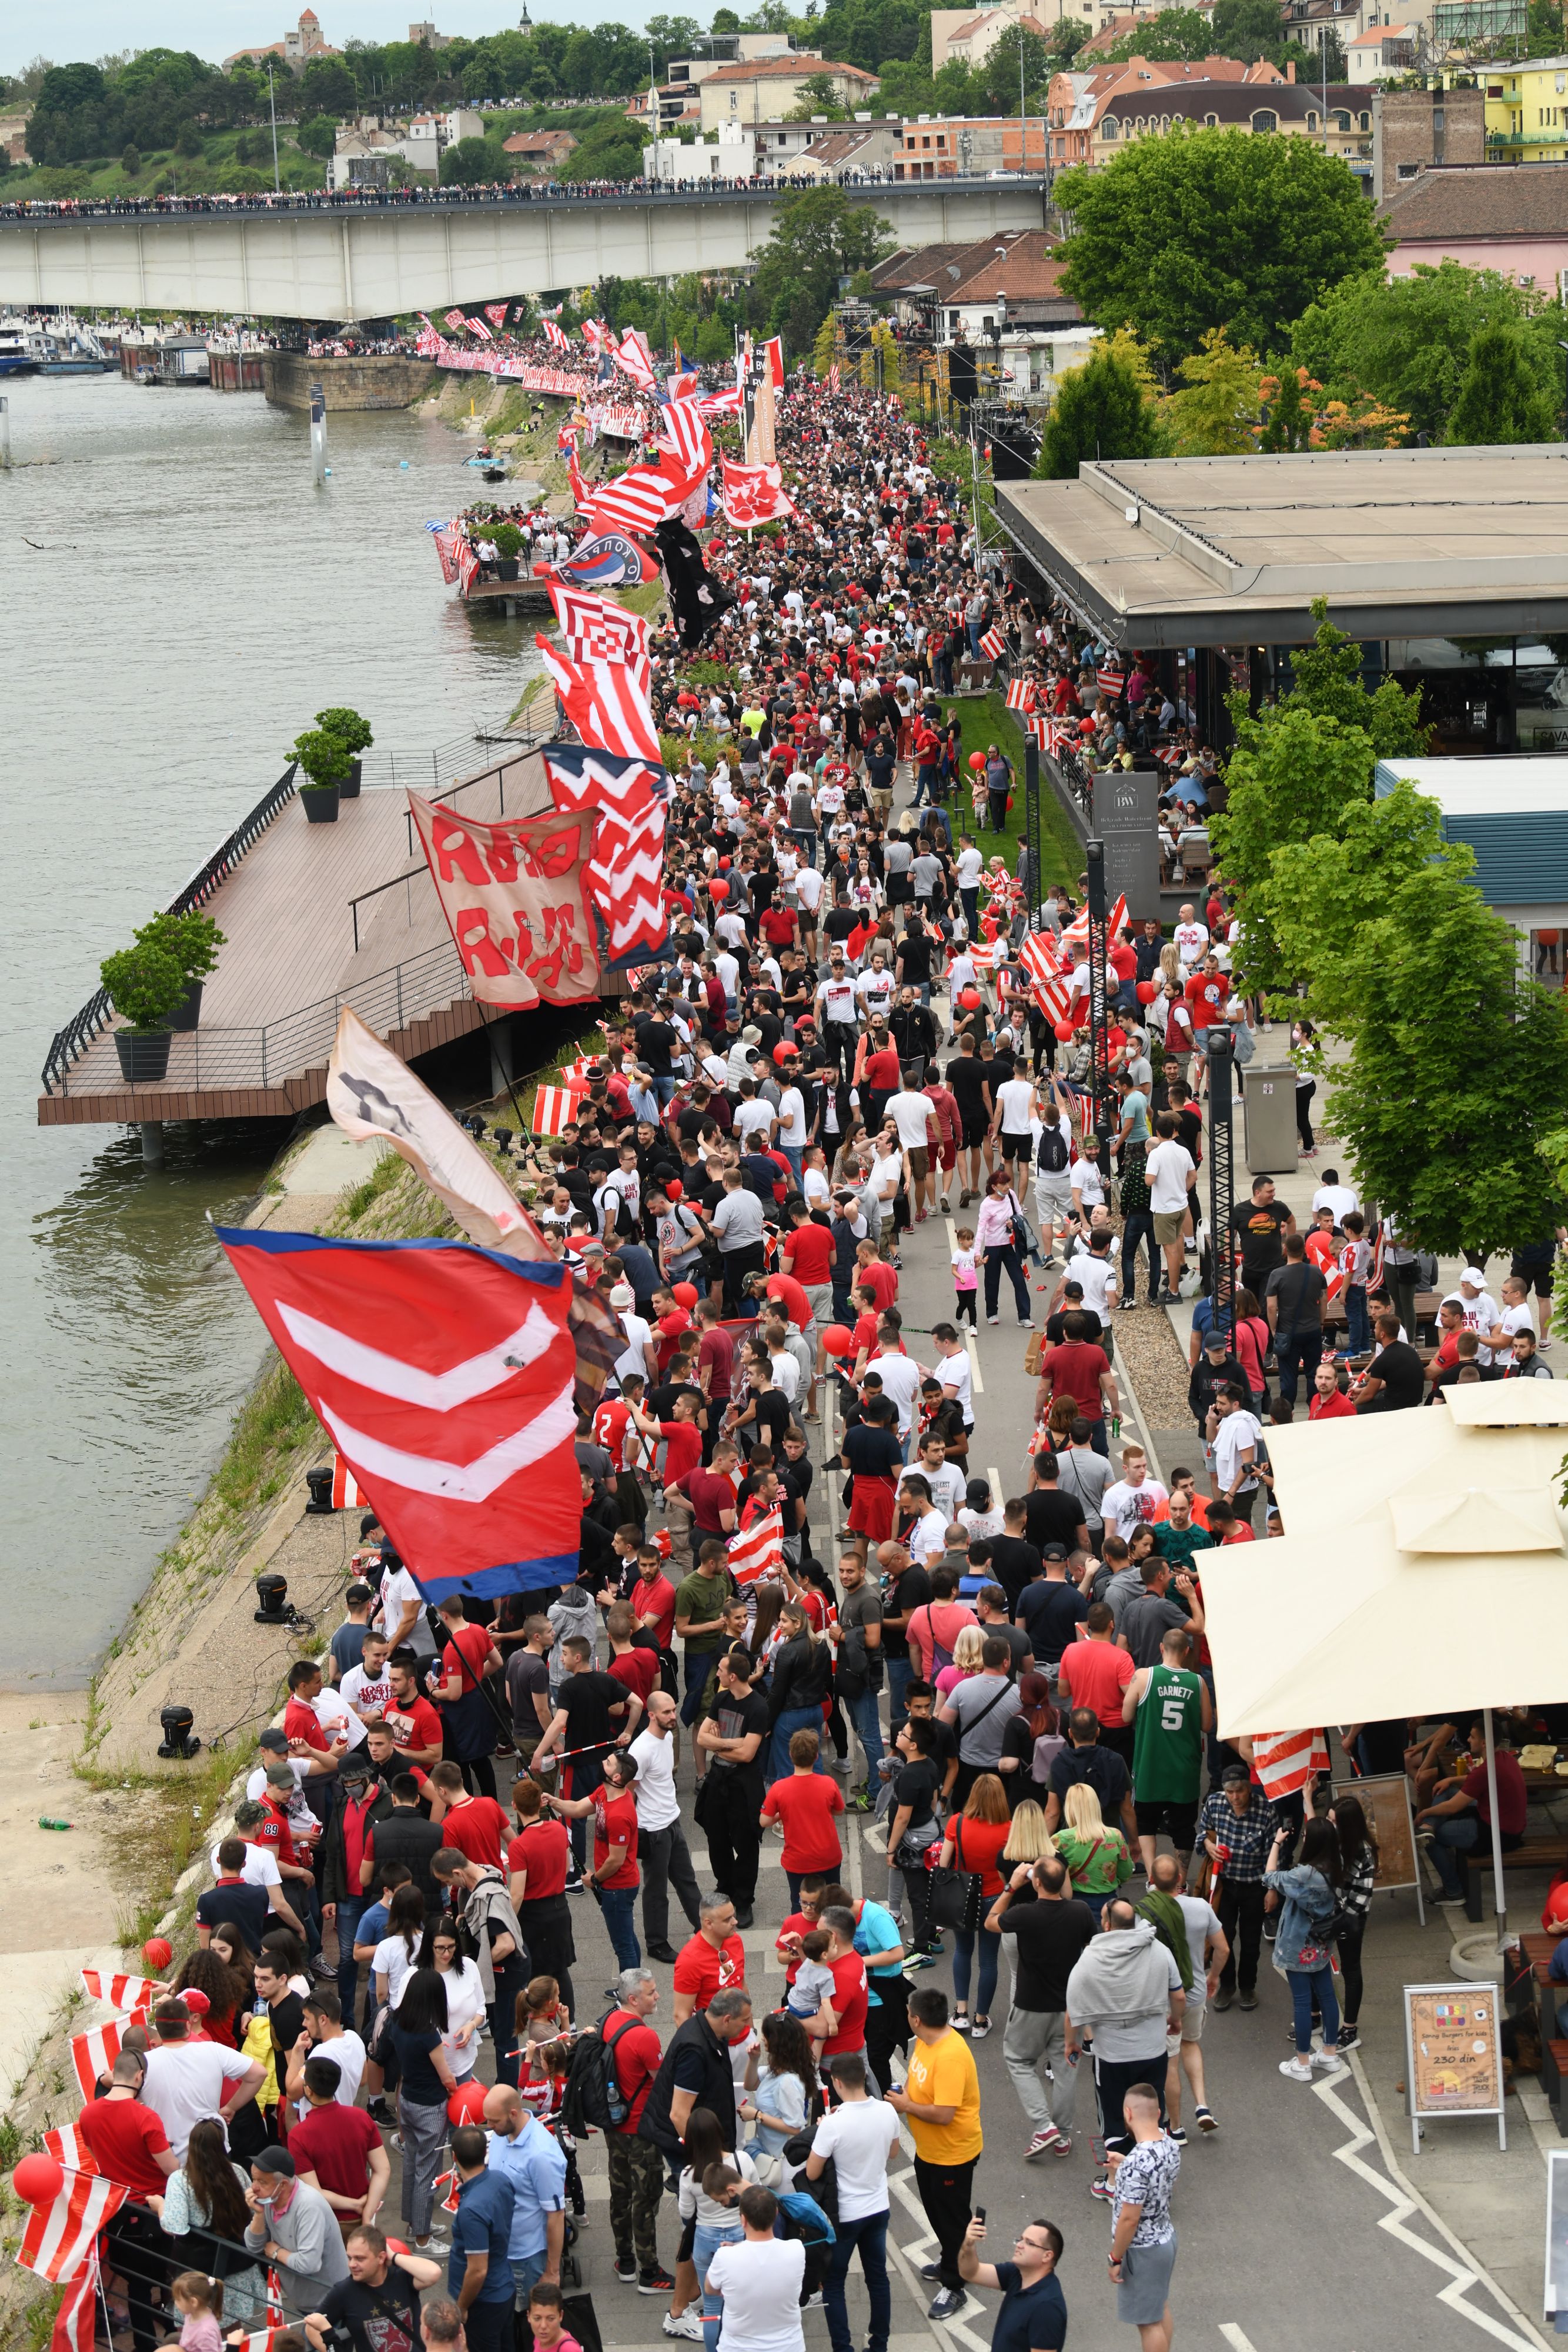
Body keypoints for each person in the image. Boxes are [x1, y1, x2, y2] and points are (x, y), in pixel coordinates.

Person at [1065, 1899, 1182, 2187]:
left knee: (1114, 2117)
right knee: (1151, 2112)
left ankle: (1114, 2183)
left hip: (1112, 2056)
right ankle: (1154, 2176)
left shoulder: (1090, 1959)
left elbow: (1073, 2013)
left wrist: (1073, 2044)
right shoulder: (1158, 1950)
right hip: (1153, 2051)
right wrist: (1175, 2020)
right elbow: (1178, 1996)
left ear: (1106, 1925)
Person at [987, 1853, 1096, 2159]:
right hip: (1070, 2008)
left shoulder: (1025, 1914)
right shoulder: (1080, 1912)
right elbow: (1093, 1946)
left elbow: (991, 1921)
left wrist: (1010, 1886)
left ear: (1035, 1882)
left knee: (1019, 2060)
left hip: (1031, 2004)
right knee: (1065, 2069)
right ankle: (1061, 2135)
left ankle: (1043, 2125)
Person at [884, 1987, 982, 2321]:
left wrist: (906, 2106)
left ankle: (955, 2285)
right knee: (937, 2212)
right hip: (930, 2151)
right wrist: (903, 2100)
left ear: (916, 2019)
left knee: (952, 2219)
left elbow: (944, 2114)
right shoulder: (925, 2042)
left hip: (953, 2154)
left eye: (908, 2011)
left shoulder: (951, 2055)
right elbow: (914, 2080)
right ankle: (951, 2259)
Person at [808, 2053, 900, 2352]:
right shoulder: (887, 2112)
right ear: (864, 2078)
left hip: (846, 2215)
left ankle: (843, 2347)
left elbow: (812, 2171)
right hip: (878, 2209)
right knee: (878, 2279)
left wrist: (824, 2129)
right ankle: (879, 2345)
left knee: (834, 2283)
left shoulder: (833, 2124)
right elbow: (894, 2153)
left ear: (836, 2083)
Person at [1144, 1852, 1225, 2141]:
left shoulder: (1147, 1913)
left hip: (1164, 1999)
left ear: (1152, 1880)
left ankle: (1176, 2128)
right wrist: (1212, 1977)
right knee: (1191, 2043)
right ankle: (1202, 2106)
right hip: (1195, 1992)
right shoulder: (1201, 1907)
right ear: (1180, 1879)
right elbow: (1224, 1950)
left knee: (1171, 2060)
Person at [1123, 1626, 1211, 1875]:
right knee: (1183, 1828)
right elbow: (1207, 1725)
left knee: (1146, 1823)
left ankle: (1153, 1877)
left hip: (1150, 1765)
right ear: (1186, 1651)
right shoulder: (1197, 1681)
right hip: (1185, 1769)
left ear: (1162, 1648)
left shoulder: (1143, 1677)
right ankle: (1181, 1882)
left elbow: (1126, 1714)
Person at [1415, 1717, 1527, 1902]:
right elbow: (1473, 1780)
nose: (1468, 1740)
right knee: (1448, 1790)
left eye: (1472, 1737)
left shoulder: (1486, 1769)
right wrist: (1451, 1779)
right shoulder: (1505, 1758)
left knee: (1430, 1840)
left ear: (1483, 1743)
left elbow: (1454, 1806)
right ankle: (1429, 1827)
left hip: (1498, 1834)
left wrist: (1423, 1813)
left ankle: (1453, 1891)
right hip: (1509, 1825)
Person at [1267, 1818, 1346, 2080]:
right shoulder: (1337, 1866)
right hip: (1321, 1945)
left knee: (1302, 2003)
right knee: (1327, 1997)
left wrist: (1278, 1842)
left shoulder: (1304, 1875)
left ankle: (1302, 2063)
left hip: (1296, 1945)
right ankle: (1330, 2054)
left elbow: (1269, 1877)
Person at [1104, 2083, 1179, 2352]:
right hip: (1166, 2239)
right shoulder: (1170, 2145)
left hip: (1143, 2251)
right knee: (1159, 2308)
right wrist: (1123, 2166)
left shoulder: (1136, 2165)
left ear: (1128, 2113)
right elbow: (1154, 2173)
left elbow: (1129, 2220)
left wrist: (1115, 2257)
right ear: (1158, 2113)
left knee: (1148, 2323)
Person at [631, 1688, 704, 1965]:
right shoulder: (640, 1750)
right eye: (666, 1712)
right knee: (656, 1889)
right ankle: (657, 1944)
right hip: (653, 1830)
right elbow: (629, 1790)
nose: (673, 1716)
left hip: (672, 1821)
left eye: (673, 1710)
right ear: (651, 1715)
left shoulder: (669, 1736)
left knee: (687, 1880)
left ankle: (703, 1929)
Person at [697, 1648, 769, 1929]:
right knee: (717, 1839)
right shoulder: (721, 1698)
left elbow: (748, 1755)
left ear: (734, 1676)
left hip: (744, 1786)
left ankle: (744, 1900)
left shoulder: (758, 1707)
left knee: (747, 1843)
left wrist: (721, 1745)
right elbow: (703, 1738)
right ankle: (724, 1888)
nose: (717, 1674)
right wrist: (733, 1743)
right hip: (718, 1781)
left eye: (721, 1671)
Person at [938, 1773, 1014, 2036]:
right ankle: (981, 2020)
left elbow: (943, 1864)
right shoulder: (1009, 1828)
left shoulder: (957, 1822)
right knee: (989, 1960)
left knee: (962, 1951)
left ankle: (961, 2014)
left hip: (963, 1896)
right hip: (994, 1899)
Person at [243, 2146, 353, 2318]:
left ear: (283, 2185)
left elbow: (309, 2264)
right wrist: (258, 2215)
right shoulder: (268, 2200)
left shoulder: (309, 2206)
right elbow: (253, 2246)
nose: (254, 2188)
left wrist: (277, 2252)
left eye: (262, 2182)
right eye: (253, 2179)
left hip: (330, 2303)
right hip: (306, 2302)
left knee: (324, 2346)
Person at [1197, 1763, 1272, 2010]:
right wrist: (1208, 1846)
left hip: (1254, 1886)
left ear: (1249, 1788)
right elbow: (1202, 1834)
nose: (1235, 1797)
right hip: (1225, 1887)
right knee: (1223, 1938)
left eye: (1239, 1791)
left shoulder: (1266, 1811)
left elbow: (1275, 1855)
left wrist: (1272, 1890)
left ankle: (1248, 1987)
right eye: (1230, 1792)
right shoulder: (1214, 1804)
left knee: (1251, 1942)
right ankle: (1227, 1986)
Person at [300, 2223, 441, 2352]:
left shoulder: (402, 2278)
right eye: (350, 2258)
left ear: (381, 2258)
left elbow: (433, 2273)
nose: (352, 2265)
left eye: (360, 2259)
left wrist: (394, 2256)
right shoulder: (344, 2292)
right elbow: (312, 2327)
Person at [704, 2186, 805, 2352]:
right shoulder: (796, 2250)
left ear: (743, 2220)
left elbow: (710, 2288)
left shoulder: (725, 2257)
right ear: (776, 2215)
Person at [956, 2214, 1068, 2352]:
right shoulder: (1017, 2273)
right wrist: (968, 2246)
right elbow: (971, 2273)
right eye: (1020, 2240)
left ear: (1047, 2256)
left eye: (1029, 2243)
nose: (1020, 2245)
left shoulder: (1046, 2308)